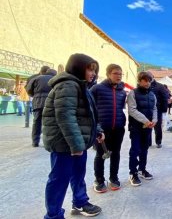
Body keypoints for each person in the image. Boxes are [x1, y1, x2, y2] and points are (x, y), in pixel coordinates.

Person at [42, 53, 104, 218]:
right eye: (89, 69)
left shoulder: (80, 85)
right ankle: (53, 215)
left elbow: (88, 114)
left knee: (78, 174)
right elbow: (65, 117)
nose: (93, 73)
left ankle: (80, 202)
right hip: (64, 144)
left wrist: (96, 131)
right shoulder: (68, 85)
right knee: (59, 180)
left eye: (94, 70)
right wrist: (76, 146)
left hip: (77, 142)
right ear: (77, 67)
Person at [90, 64, 127, 193]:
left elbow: (121, 108)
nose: (119, 76)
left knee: (115, 153)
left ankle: (114, 178)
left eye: (120, 74)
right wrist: (97, 128)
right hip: (102, 130)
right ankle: (99, 180)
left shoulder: (122, 92)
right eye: (116, 73)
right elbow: (90, 110)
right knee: (100, 154)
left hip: (118, 129)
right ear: (108, 74)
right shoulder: (97, 89)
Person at [127, 71, 157, 186]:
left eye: (149, 81)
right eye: (145, 80)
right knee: (135, 150)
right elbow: (132, 110)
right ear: (139, 81)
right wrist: (145, 120)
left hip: (148, 127)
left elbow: (155, 109)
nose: (147, 83)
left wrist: (154, 120)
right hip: (136, 127)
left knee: (145, 149)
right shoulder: (133, 93)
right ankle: (133, 173)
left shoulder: (152, 95)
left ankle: (142, 169)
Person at [26, 68, 57, 147]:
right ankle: (49, 142)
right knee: (50, 123)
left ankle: (35, 142)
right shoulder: (55, 79)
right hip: (50, 103)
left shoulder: (37, 78)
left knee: (36, 122)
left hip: (37, 102)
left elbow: (29, 90)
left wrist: (36, 95)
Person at [149, 73, 170, 148]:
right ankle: (148, 142)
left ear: (153, 77)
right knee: (148, 126)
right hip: (147, 110)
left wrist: (164, 109)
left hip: (158, 110)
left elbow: (164, 98)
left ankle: (158, 141)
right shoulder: (145, 85)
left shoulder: (160, 86)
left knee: (157, 127)